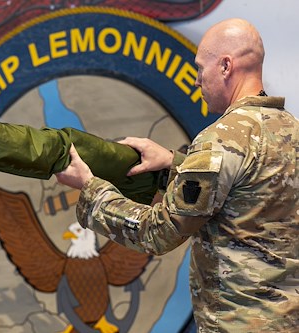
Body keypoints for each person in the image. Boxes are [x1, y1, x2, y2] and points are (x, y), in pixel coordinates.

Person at [55, 18, 298, 332]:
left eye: (200, 68)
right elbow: (247, 190)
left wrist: (90, 189)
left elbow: (158, 232)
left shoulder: (221, 139)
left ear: (226, 66)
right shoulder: (290, 129)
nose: (197, 81)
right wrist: (175, 162)